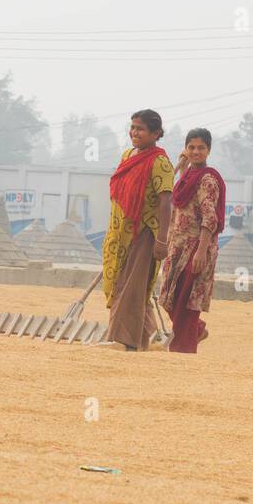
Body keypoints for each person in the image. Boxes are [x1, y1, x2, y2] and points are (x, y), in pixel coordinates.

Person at [100, 109, 174, 351]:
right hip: (121, 233)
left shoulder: (160, 162)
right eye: (132, 127)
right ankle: (145, 337)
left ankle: (122, 340)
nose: (134, 132)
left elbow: (165, 201)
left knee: (130, 287)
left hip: (144, 233)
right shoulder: (128, 155)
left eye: (140, 129)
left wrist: (162, 240)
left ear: (156, 133)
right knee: (128, 285)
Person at [158, 128, 226, 355]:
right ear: (186, 149)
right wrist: (182, 167)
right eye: (191, 147)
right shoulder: (187, 177)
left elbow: (210, 218)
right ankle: (197, 330)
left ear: (209, 150)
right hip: (176, 246)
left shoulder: (207, 180)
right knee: (170, 296)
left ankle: (183, 351)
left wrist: (201, 252)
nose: (196, 152)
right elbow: (181, 197)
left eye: (201, 148)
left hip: (195, 248)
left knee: (187, 301)